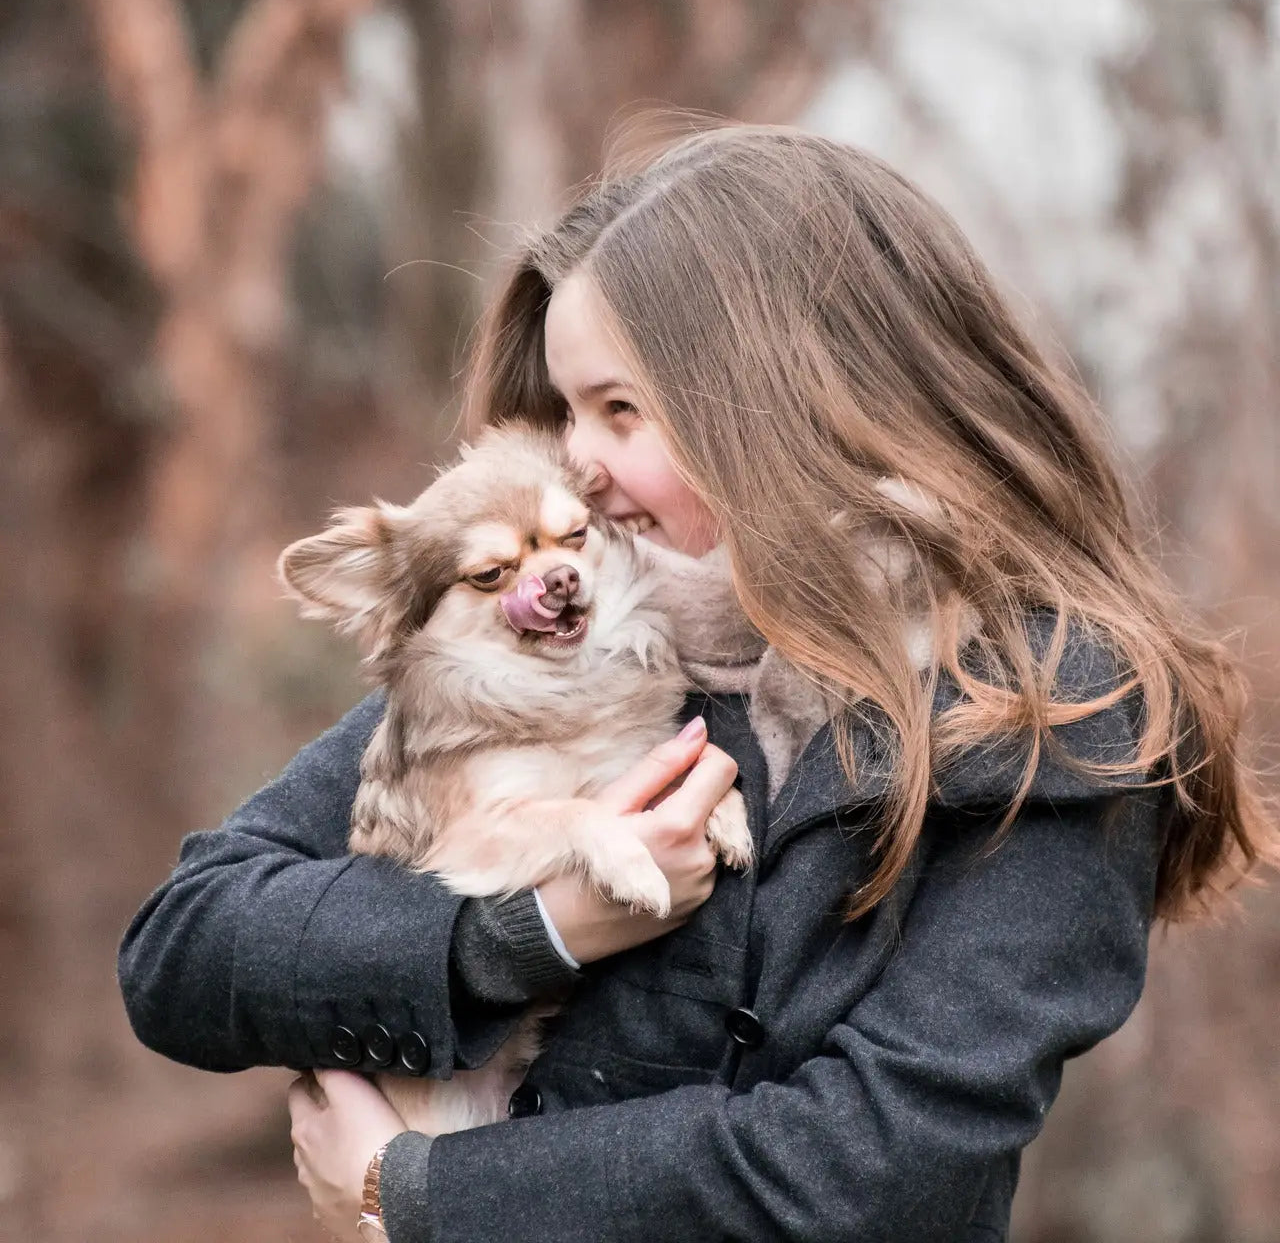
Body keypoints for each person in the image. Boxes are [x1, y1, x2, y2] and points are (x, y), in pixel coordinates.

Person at [118, 124, 1271, 1242]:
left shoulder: (1041, 701)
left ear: (793, 396)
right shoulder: (560, 638)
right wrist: (515, 934)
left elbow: (876, 1163)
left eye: (619, 409)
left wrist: (417, 1192)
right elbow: (187, 941)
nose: (577, 461)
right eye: (568, 413)